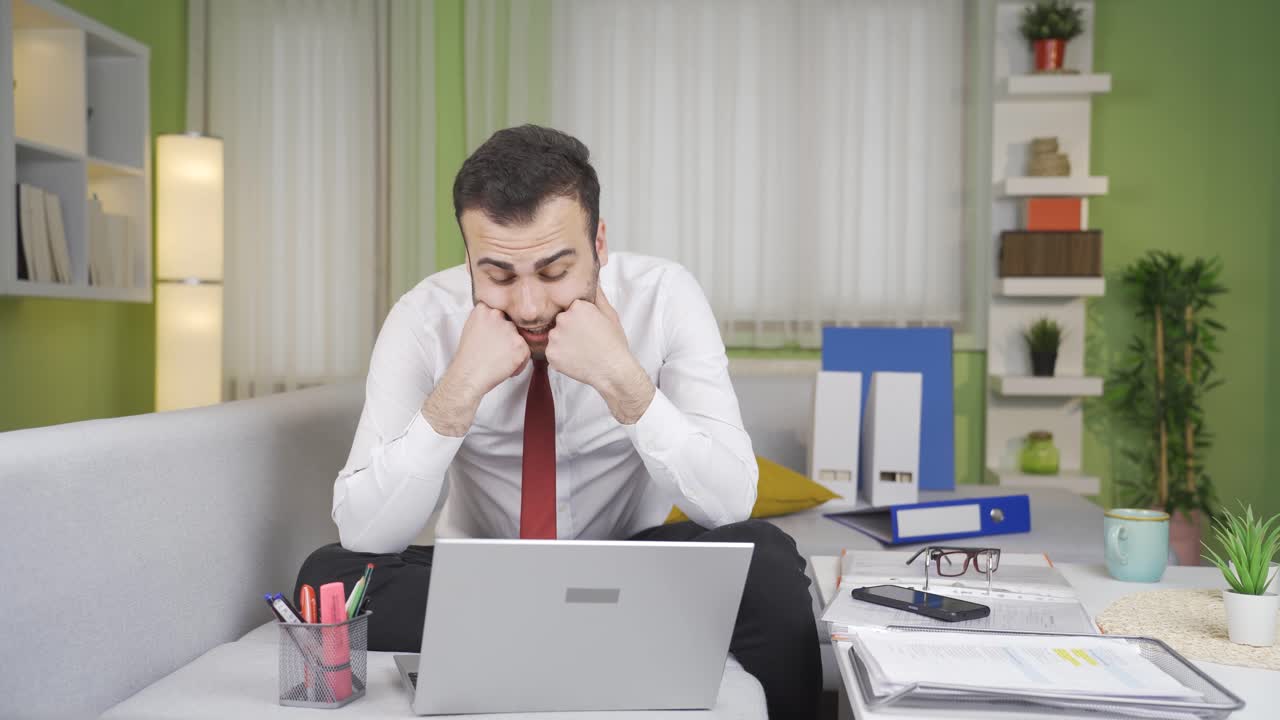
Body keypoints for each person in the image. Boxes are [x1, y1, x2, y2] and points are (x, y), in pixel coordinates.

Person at [294, 124, 820, 718]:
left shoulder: (666, 297)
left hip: (629, 568)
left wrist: (624, 382)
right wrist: (459, 391)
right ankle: (594, 640)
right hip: (484, 579)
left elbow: (729, 504)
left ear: (598, 242)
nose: (529, 307)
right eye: (498, 275)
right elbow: (365, 533)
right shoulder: (422, 318)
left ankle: (549, 641)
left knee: (767, 561)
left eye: (553, 271)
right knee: (327, 577)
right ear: (469, 257)